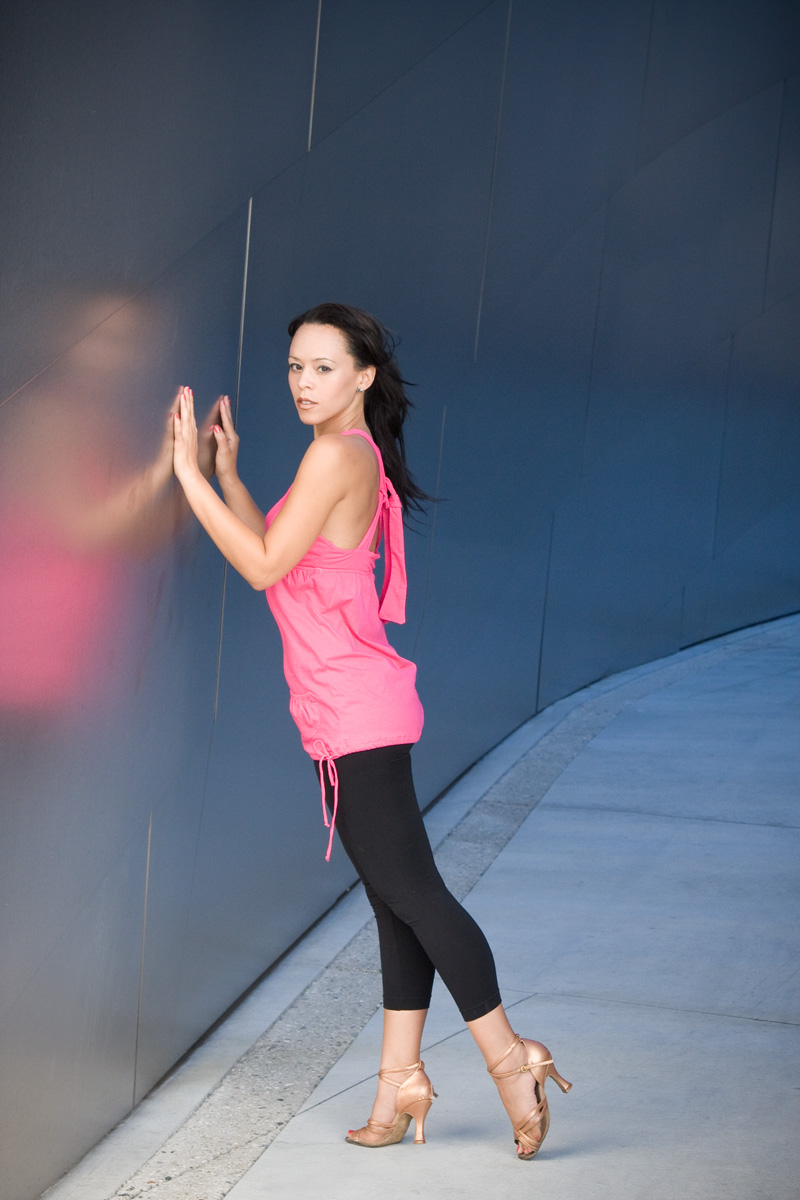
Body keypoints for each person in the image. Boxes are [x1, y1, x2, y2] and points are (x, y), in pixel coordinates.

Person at [171, 302, 570, 1158]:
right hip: (348, 710)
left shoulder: (334, 456)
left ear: (362, 376)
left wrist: (189, 478)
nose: (303, 385)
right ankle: (399, 1085)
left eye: (321, 368)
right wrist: (234, 477)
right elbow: (293, 552)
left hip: (354, 713)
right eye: (293, 369)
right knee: (396, 907)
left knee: (416, 897)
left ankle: (511, 1059)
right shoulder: (352, 458)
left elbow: (262, 567)